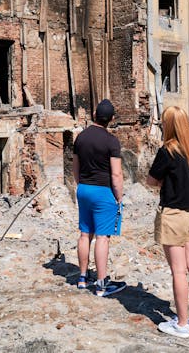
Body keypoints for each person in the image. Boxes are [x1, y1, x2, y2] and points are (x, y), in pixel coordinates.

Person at [146, 106, 189, 338]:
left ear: (168, 125)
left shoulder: (167, 150)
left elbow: (151, 180)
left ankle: (181, 324)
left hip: (174, 215)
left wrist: (167, 184)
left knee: (178, 272)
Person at [73, 99, 127, 297]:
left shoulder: (80, 138)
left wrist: (81, 185)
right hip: (103, 191)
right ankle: (102, 283)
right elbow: (116, 174)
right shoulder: (111, 141)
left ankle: (82, 278)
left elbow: (75, 168)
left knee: (85, 233)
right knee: (103, 237)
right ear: (111, 119)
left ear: (94, 115)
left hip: (84, 189)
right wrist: (118, 197)